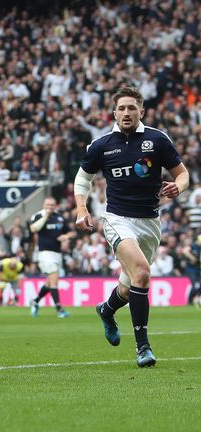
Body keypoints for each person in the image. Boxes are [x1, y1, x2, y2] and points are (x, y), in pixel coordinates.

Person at [75, 86, 189, 368]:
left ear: (142, 111)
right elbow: (82, 180)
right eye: (121, 108)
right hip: (117, 218)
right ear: (114, 113)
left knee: (130, 286)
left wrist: (179, 187)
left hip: (150, 221)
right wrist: (81, 208)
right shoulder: (101, 145)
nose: (126, 113)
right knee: (142, 272)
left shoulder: (157, 140)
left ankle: (106, 309)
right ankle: (143, 348)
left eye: (131, 108)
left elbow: (182, 173)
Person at [29, 197, 76, 318]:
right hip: (45, 253)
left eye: (52, 205)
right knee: (54, 280)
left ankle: (35, 301)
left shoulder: (59, 217)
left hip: (57, 253)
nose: (50, 207)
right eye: (47, 205)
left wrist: (65, 236)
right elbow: (34, 228)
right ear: (44, 205)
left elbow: (72, 232)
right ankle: (59, 309)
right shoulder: (38, 216)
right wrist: (45, 216)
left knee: (50, 282)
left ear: (55, 206)